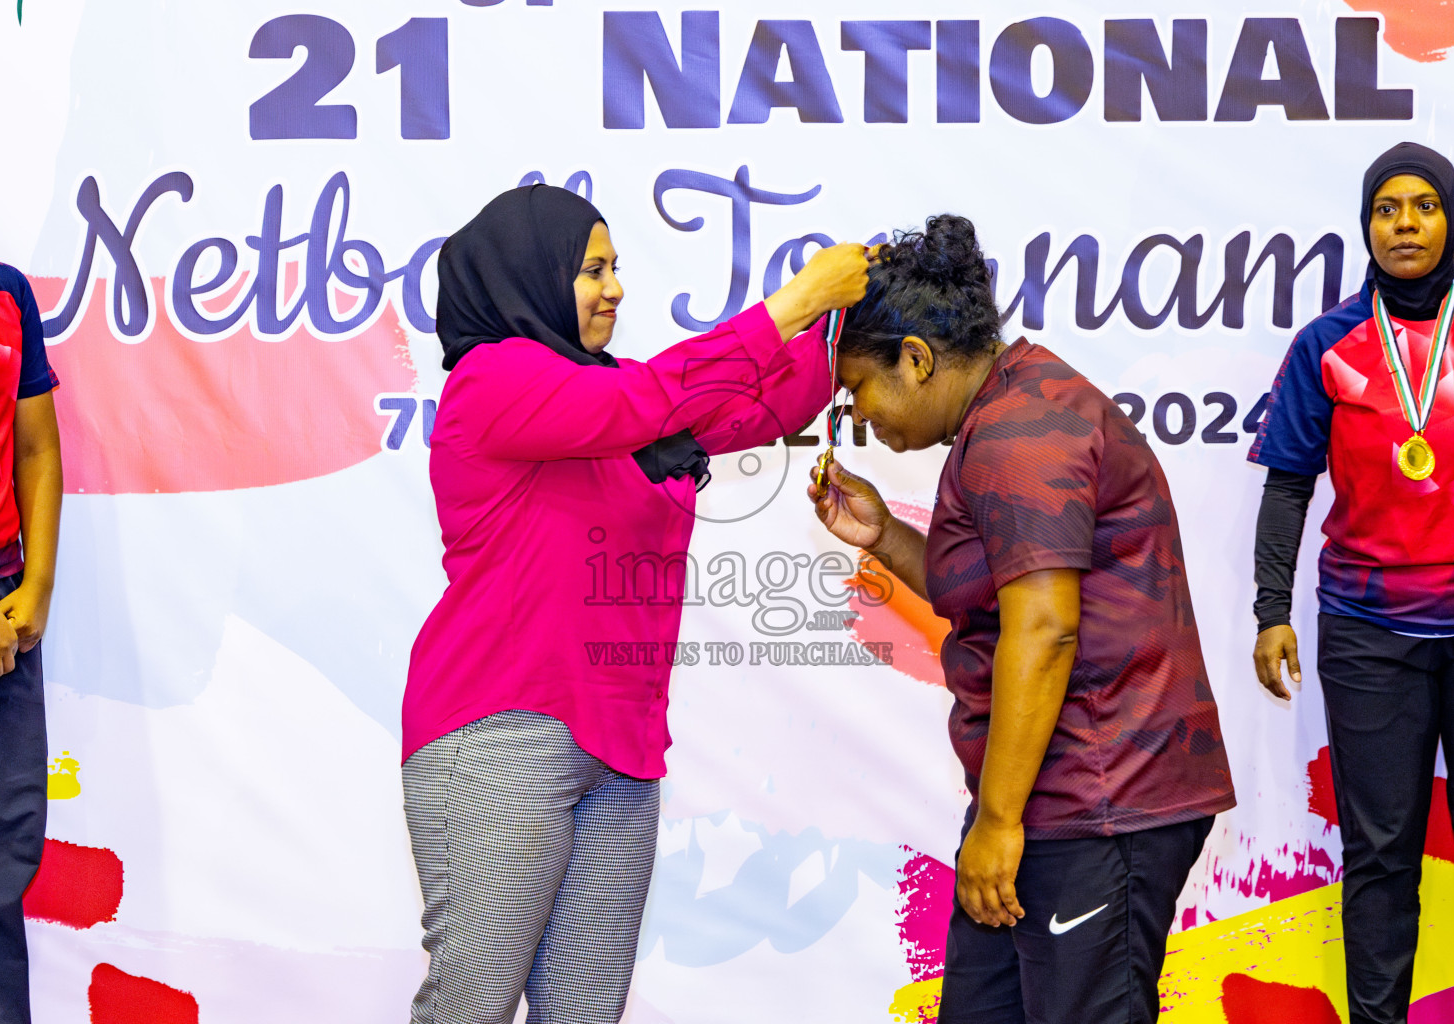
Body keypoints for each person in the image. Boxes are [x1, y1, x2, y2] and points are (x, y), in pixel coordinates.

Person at [400, 184, 867, 1024]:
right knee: (468, 1011)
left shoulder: (627, 398)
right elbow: (645, 401)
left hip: (622, 749)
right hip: (502, 731)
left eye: (616, 268)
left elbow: (763, 405)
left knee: (585, 1015)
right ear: (528, 277)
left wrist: (850, 326)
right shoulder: (495, 380)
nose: (615, 287)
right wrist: (794, 302)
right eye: (591, 269)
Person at [808, 215, 1234, 1023]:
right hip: (1053, 793)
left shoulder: (1018, 435)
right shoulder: (1004, 413)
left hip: (1100, 798)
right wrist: (885, 538)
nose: (857, 416)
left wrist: (998, 824)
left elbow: (1044, 632)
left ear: (917, 359)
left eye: (857, 388)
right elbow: (999, 597)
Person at [1249, 142, 1454, 1024]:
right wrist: (1268, 611)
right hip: (1367, 633)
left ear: (1452, 221)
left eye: (1423, 207)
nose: (1405, 223)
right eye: (1387, 208)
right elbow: (1287, 483)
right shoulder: (1329, 344)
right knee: (1383, 853)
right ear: (1367, 226)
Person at [0, 254, 64, 1024]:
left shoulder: (2, 293)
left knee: (2, 846)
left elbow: (35, 448)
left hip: (0, 607)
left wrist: (35, 585)